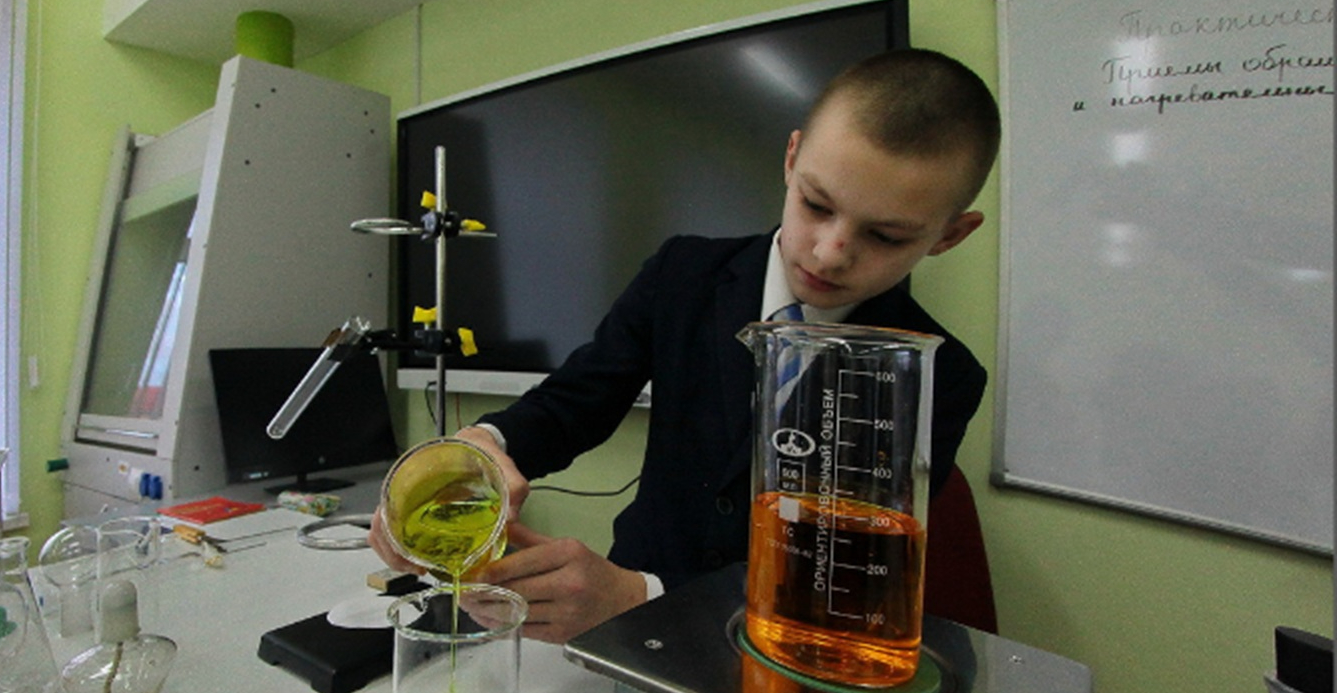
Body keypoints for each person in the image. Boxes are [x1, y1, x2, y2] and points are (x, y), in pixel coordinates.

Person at [370, 48, 1000, 644]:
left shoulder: (940, 374)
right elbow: (576, 401)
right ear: (791, 158)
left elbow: (847, 577)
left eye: (886, 236)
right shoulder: (684, 274)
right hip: (628, 631)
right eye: (815, 204)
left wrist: (643, 594)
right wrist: (479, 449)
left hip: (775, 653)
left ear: (950, 235)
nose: (830, 251)